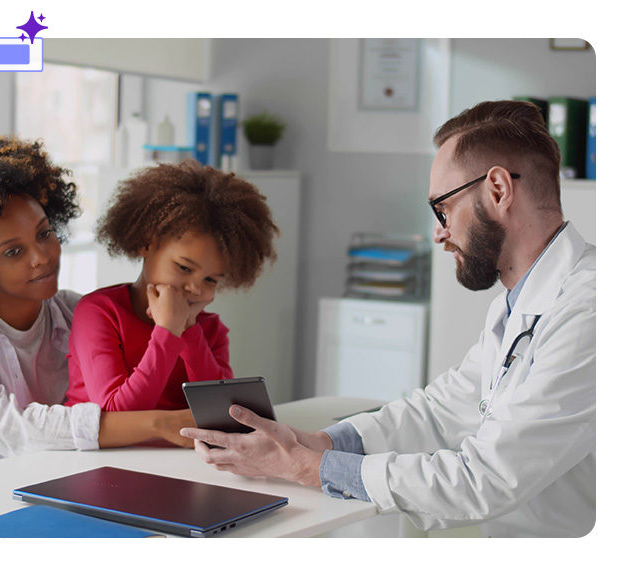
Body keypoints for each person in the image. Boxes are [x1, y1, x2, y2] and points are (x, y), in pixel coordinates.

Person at [181, 100, 596, 537]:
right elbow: (437, 412)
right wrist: (318, 443)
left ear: (497, 189)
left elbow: (486, 479)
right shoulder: (518, 306)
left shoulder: (592, 310)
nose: (439, 231)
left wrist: (309, 467)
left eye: (443, 208)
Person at [0, 137, 194, 474]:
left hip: (54, 486)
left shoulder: (80, 313)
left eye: (44, 234)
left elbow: (131, 396)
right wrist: (157, 423)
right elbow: (16, 430)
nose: (42, 258)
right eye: (14, 252)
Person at [63, 160, 278, 412]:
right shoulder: (99, 312)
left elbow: (223, 412)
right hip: (102, 451)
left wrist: (189, 331)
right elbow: (116, 412)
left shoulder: (210, 332)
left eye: (210, 280)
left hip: (176, 452)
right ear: (146, 243)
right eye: (184, 268)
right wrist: (168, 331)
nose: (196, 288)